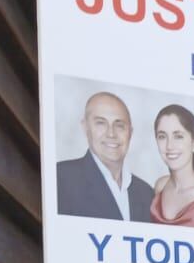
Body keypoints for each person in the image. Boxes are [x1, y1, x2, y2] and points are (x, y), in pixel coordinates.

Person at [56, 90, 154, 220]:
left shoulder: (146, 193)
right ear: (85, 127)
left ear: (130, 132)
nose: (111, 134)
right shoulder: (61, 178)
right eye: (101, 123)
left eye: (119, 125)